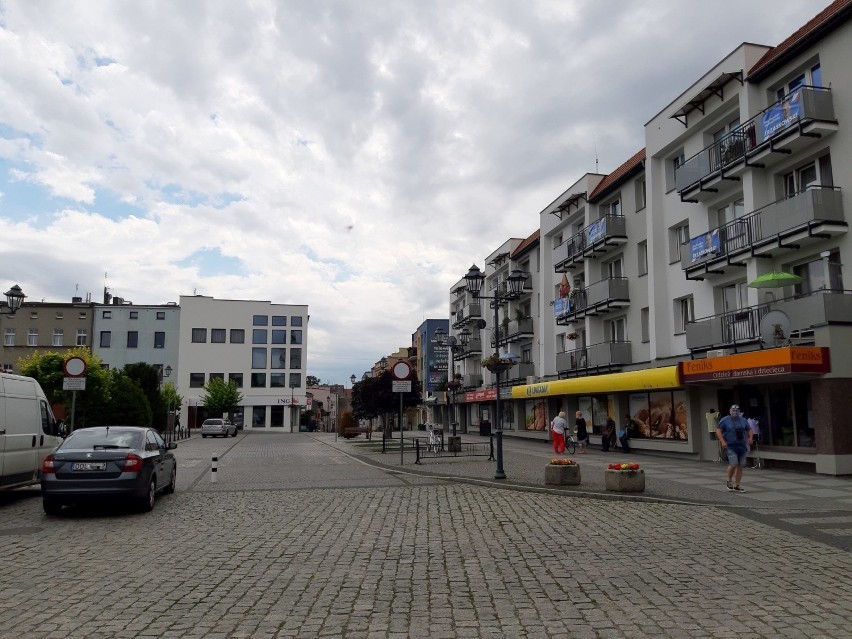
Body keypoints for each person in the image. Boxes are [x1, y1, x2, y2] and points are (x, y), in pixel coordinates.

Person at [716, 404, 752, 493]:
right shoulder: (725, 420)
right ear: (730, 411)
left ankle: (738, 485)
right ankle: (729, 480)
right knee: (734, 463)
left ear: (739, 411)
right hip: (730, 445)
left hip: (742, 445)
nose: (735, 412)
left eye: (736, 411)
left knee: (740, 465)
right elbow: (718, 430)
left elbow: (749, 429)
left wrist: (750, 437)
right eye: (733, 410)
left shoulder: (743, 420)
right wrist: (722, 441)